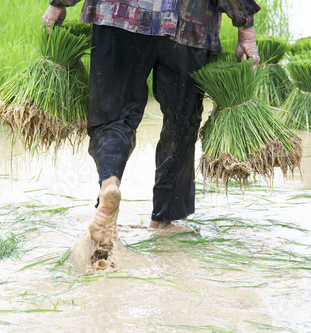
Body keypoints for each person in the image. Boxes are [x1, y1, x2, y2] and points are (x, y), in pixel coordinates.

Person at [42, 0, 260, 250]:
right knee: (181, 123)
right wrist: (245, 27)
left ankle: (110, 185)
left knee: (113, 117)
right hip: (188, 25)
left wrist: (58, 4)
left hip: (119, 16)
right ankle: (163, 224)